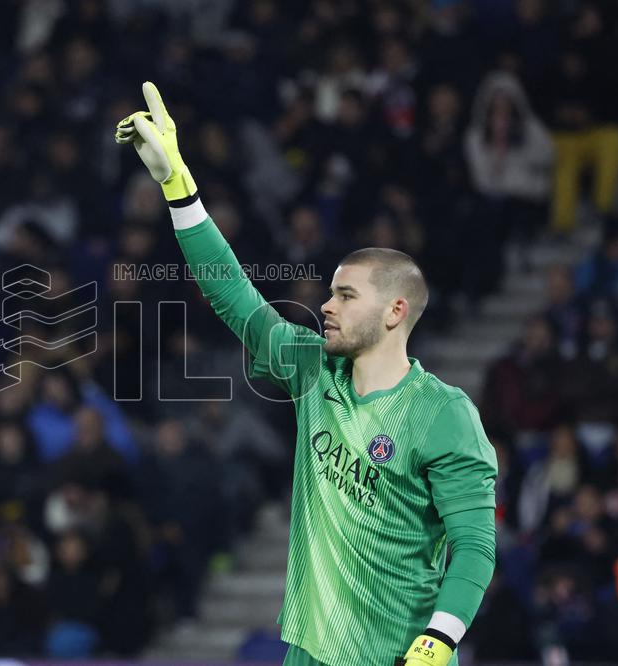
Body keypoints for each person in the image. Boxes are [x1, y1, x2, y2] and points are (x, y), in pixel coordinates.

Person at [115, 82, 498, 666]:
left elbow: (474, 546)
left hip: (398, 657)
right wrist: (177, 185)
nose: (326, 305)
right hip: (307, 654)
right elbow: (233, 296)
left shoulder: (445, 414)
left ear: (396, 311)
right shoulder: (311, 367)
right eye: (329, 293)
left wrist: (438, 640)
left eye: (345, 295)